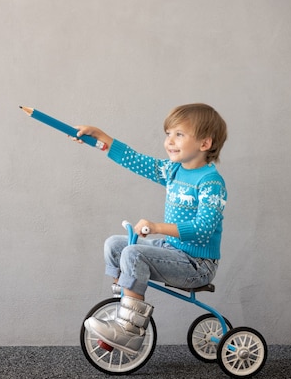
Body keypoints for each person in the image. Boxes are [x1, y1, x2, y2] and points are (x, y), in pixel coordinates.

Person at [74, 103, 228, 353]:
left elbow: (204, 230)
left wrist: (157, 227)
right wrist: (103, 138)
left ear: (204, 144)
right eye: (168, 134)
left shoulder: (211, 182)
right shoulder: (173, 170)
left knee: (133, 253)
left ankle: (130, 331)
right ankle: (124, 306)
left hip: (197, 264)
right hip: (172, 250)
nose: (170, 141)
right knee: (116, 245)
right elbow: (137, 161)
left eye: (179, 134)